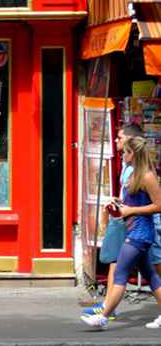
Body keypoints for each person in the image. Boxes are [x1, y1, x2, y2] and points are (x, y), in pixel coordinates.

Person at [81, 136, 161, 330]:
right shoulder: (133, 175)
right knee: (151, 276)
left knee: (120, 274)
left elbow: (159, 205)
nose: (122, 154)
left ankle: (104, 316)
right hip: (133, 230)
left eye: (125, 152)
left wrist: (130, 211)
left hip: (140, 234)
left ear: (132, 154)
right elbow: (133, 203)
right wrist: (117, 204)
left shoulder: (147, 176)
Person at [83, 123, 145, 320]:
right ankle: (108, 307)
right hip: (124, 218)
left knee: (127, 267)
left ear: (129, 140)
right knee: (117, 264)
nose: (116, 140)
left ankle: (107, 309)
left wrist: (124, 207)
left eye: (119, 137)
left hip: (131, 222)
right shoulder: (128, 165)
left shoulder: (139, 168)